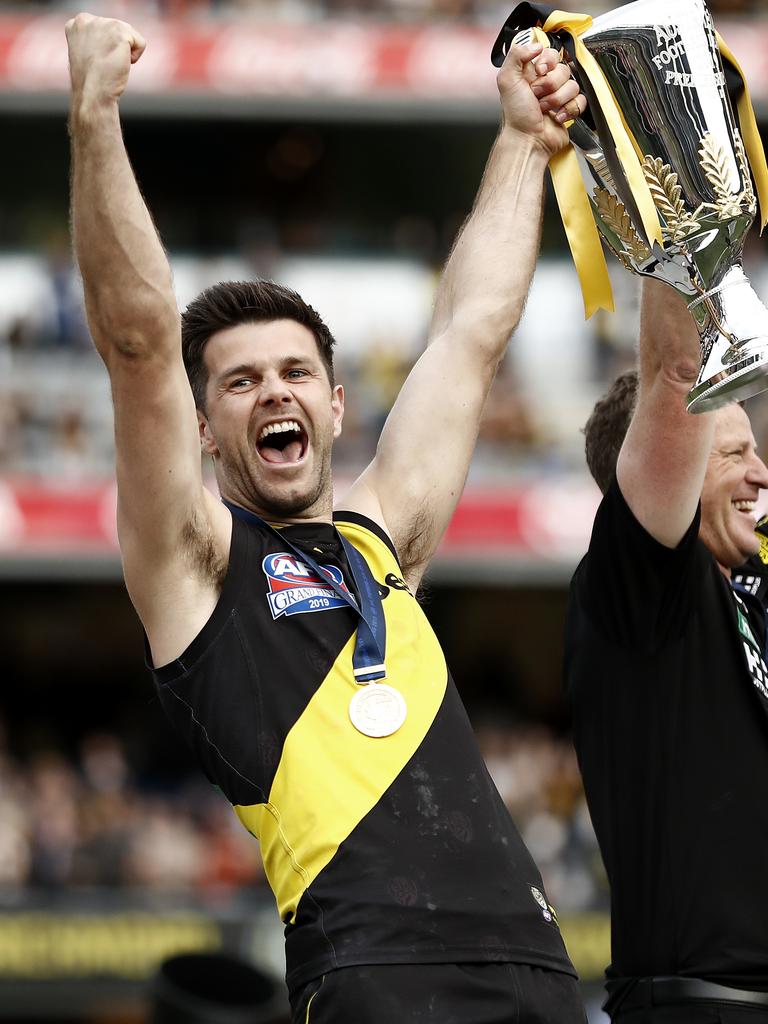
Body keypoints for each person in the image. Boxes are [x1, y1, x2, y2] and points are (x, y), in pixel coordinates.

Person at [66, 12, 587, 1021]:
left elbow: (472, 334)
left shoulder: (383, 536)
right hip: (374, 970)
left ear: (337, 405)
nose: (275, 393)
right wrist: (94, 119)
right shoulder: (197, 562)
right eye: (242, 381)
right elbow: (137, 343)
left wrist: (525, 139)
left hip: (536, 962)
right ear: (206, 429)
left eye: (297, 372)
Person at [566, 279, 768, 1022]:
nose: (761, 473)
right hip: (702, 1008)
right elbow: (676, 376)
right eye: (733, 454)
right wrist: (681, 233)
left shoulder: (752, 595)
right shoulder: (647, 590)